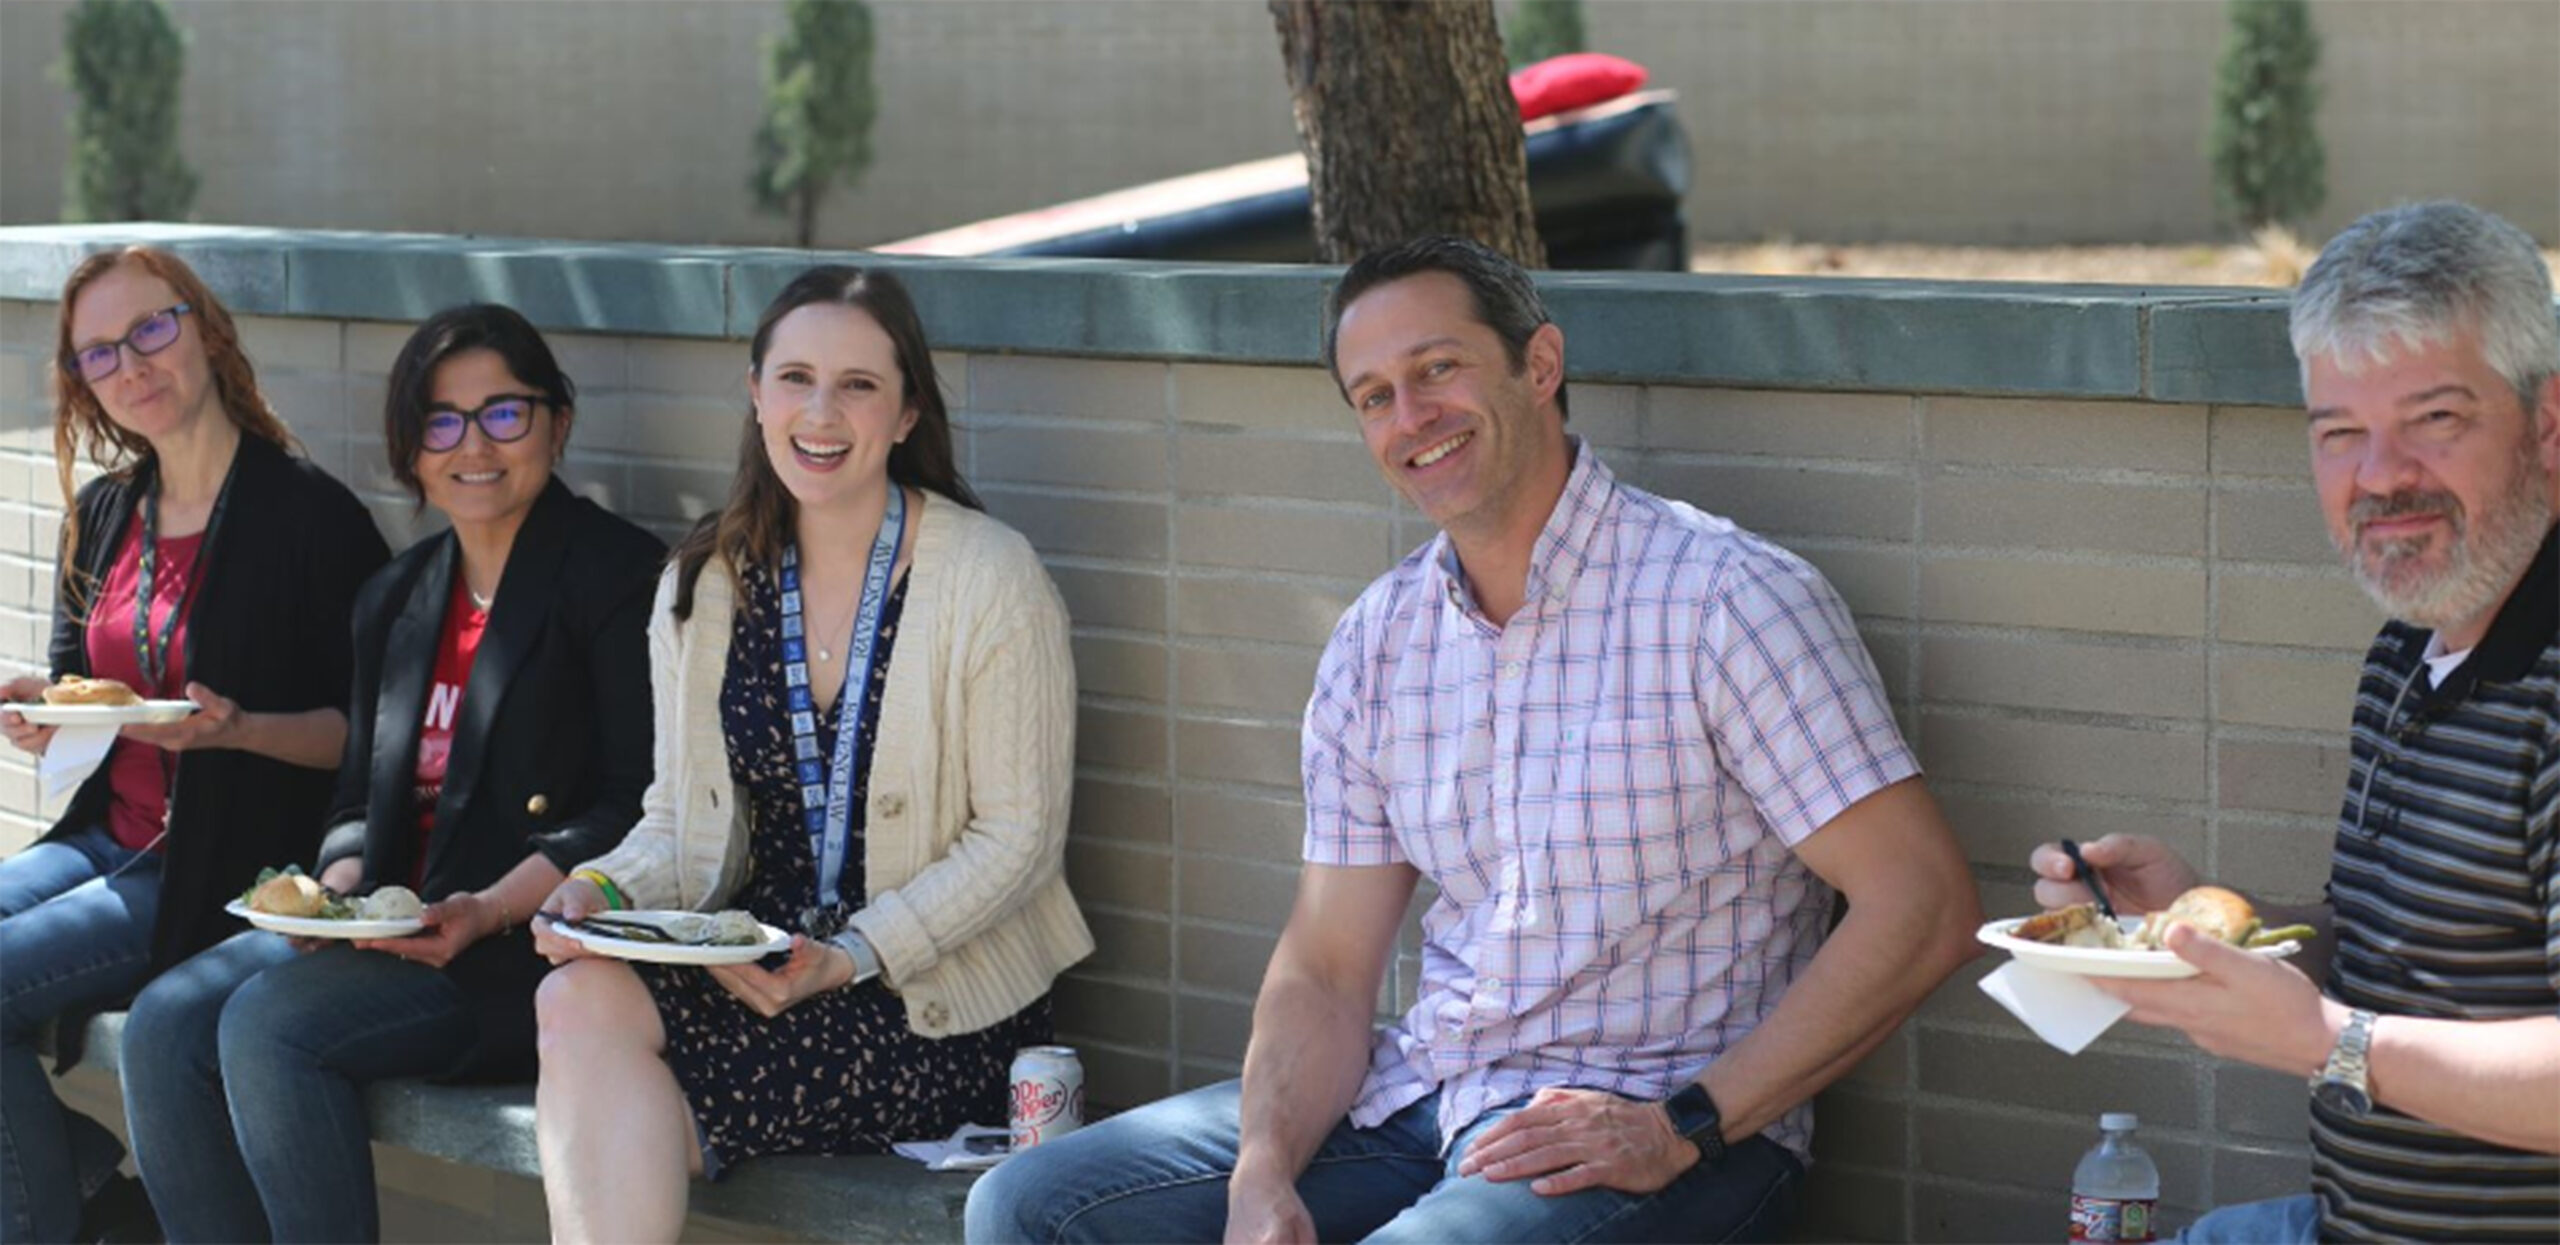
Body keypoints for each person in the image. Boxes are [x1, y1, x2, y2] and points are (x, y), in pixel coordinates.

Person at [969, 236, 1982, 1245]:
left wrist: (1685, 1125)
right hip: (1430, 1095)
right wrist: (1262, 1177)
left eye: (1437, 369)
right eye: (1374, 396)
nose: (1411, 418)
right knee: (1029, 1207)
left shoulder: (1726, 598)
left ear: (1538, 365)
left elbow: (1922, 903)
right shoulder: (1379, 638)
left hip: (1658, 1140)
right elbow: (1326, 964)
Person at [2029, 201, 2559, 1242]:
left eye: (2434, 420)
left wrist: (2330, 1042)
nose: (2379, 475)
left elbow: (2346, 1030)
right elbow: (2403, 965)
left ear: (2548, 426)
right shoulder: (2412, 646)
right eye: (2340, 433)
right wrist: (2205, 925)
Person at [530, 265, 1092, 1243]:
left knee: (621, 1114)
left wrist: (853, 956)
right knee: (574, 994)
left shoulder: (989, 577)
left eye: (859, 385)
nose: (819, 411)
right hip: (766, 960)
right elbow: (674, 820)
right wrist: (603, 894)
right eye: (793, 378)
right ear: (755, 395)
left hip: (929, 997)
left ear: (908, 411)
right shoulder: (703, 584)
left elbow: (1020, 840)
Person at [112, 304, 665, 1242]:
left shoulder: (618, 576)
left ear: (557, 423)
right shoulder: (395, 596)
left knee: (266, 1029)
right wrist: (330, 894)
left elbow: (640, 805)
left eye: (504, 413)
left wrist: (487, 907)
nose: (473, 446)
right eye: (441, 421)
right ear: (410, 450)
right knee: (162, 1023)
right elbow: (356, 800)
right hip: (390, 930)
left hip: (517, 951)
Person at [0, 247, 388, 1243]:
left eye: (150, 329)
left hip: (216, 867)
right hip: (105, 839)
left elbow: (374, 743)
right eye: (98, 353)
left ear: (206, 329)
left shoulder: (312, 519)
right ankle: (80, 1191)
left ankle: (59, 1214)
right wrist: (44, 706)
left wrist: (244, 731)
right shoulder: (103, 513)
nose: (130, 364)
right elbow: (83, 686)